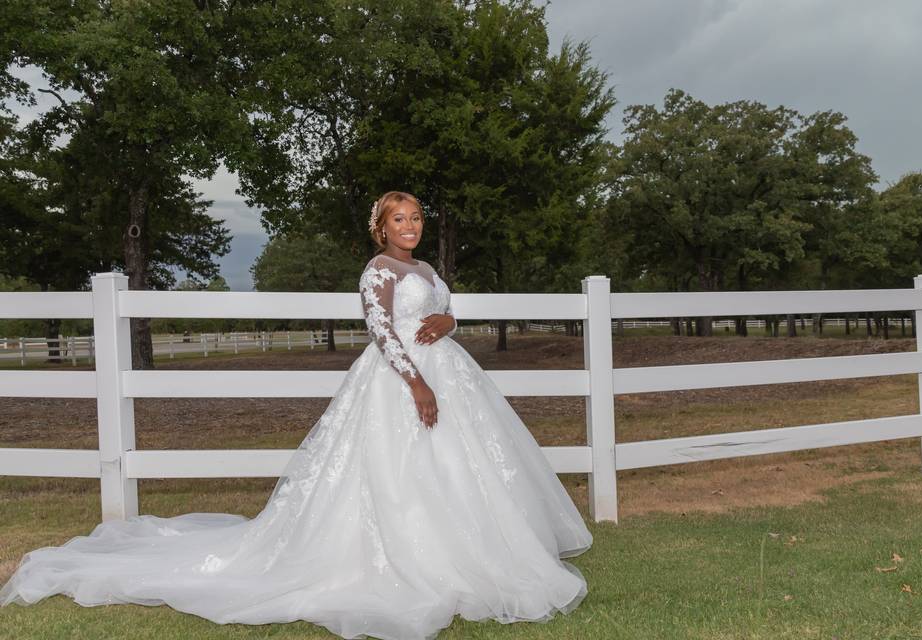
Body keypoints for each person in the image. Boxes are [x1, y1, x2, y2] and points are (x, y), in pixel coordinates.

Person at [0, 190, 593, 640]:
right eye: (399, 219)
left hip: (453, 373)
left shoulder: (429, 272)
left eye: (415, 218)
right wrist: (414, 382)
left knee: (464, 465)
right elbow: (381, 330)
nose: (409, 227)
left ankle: (477, 551)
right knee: (395, 470)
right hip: (400, 380)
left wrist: (450, 323)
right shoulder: (378, 270)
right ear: (381, 227)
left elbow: (443, 309)